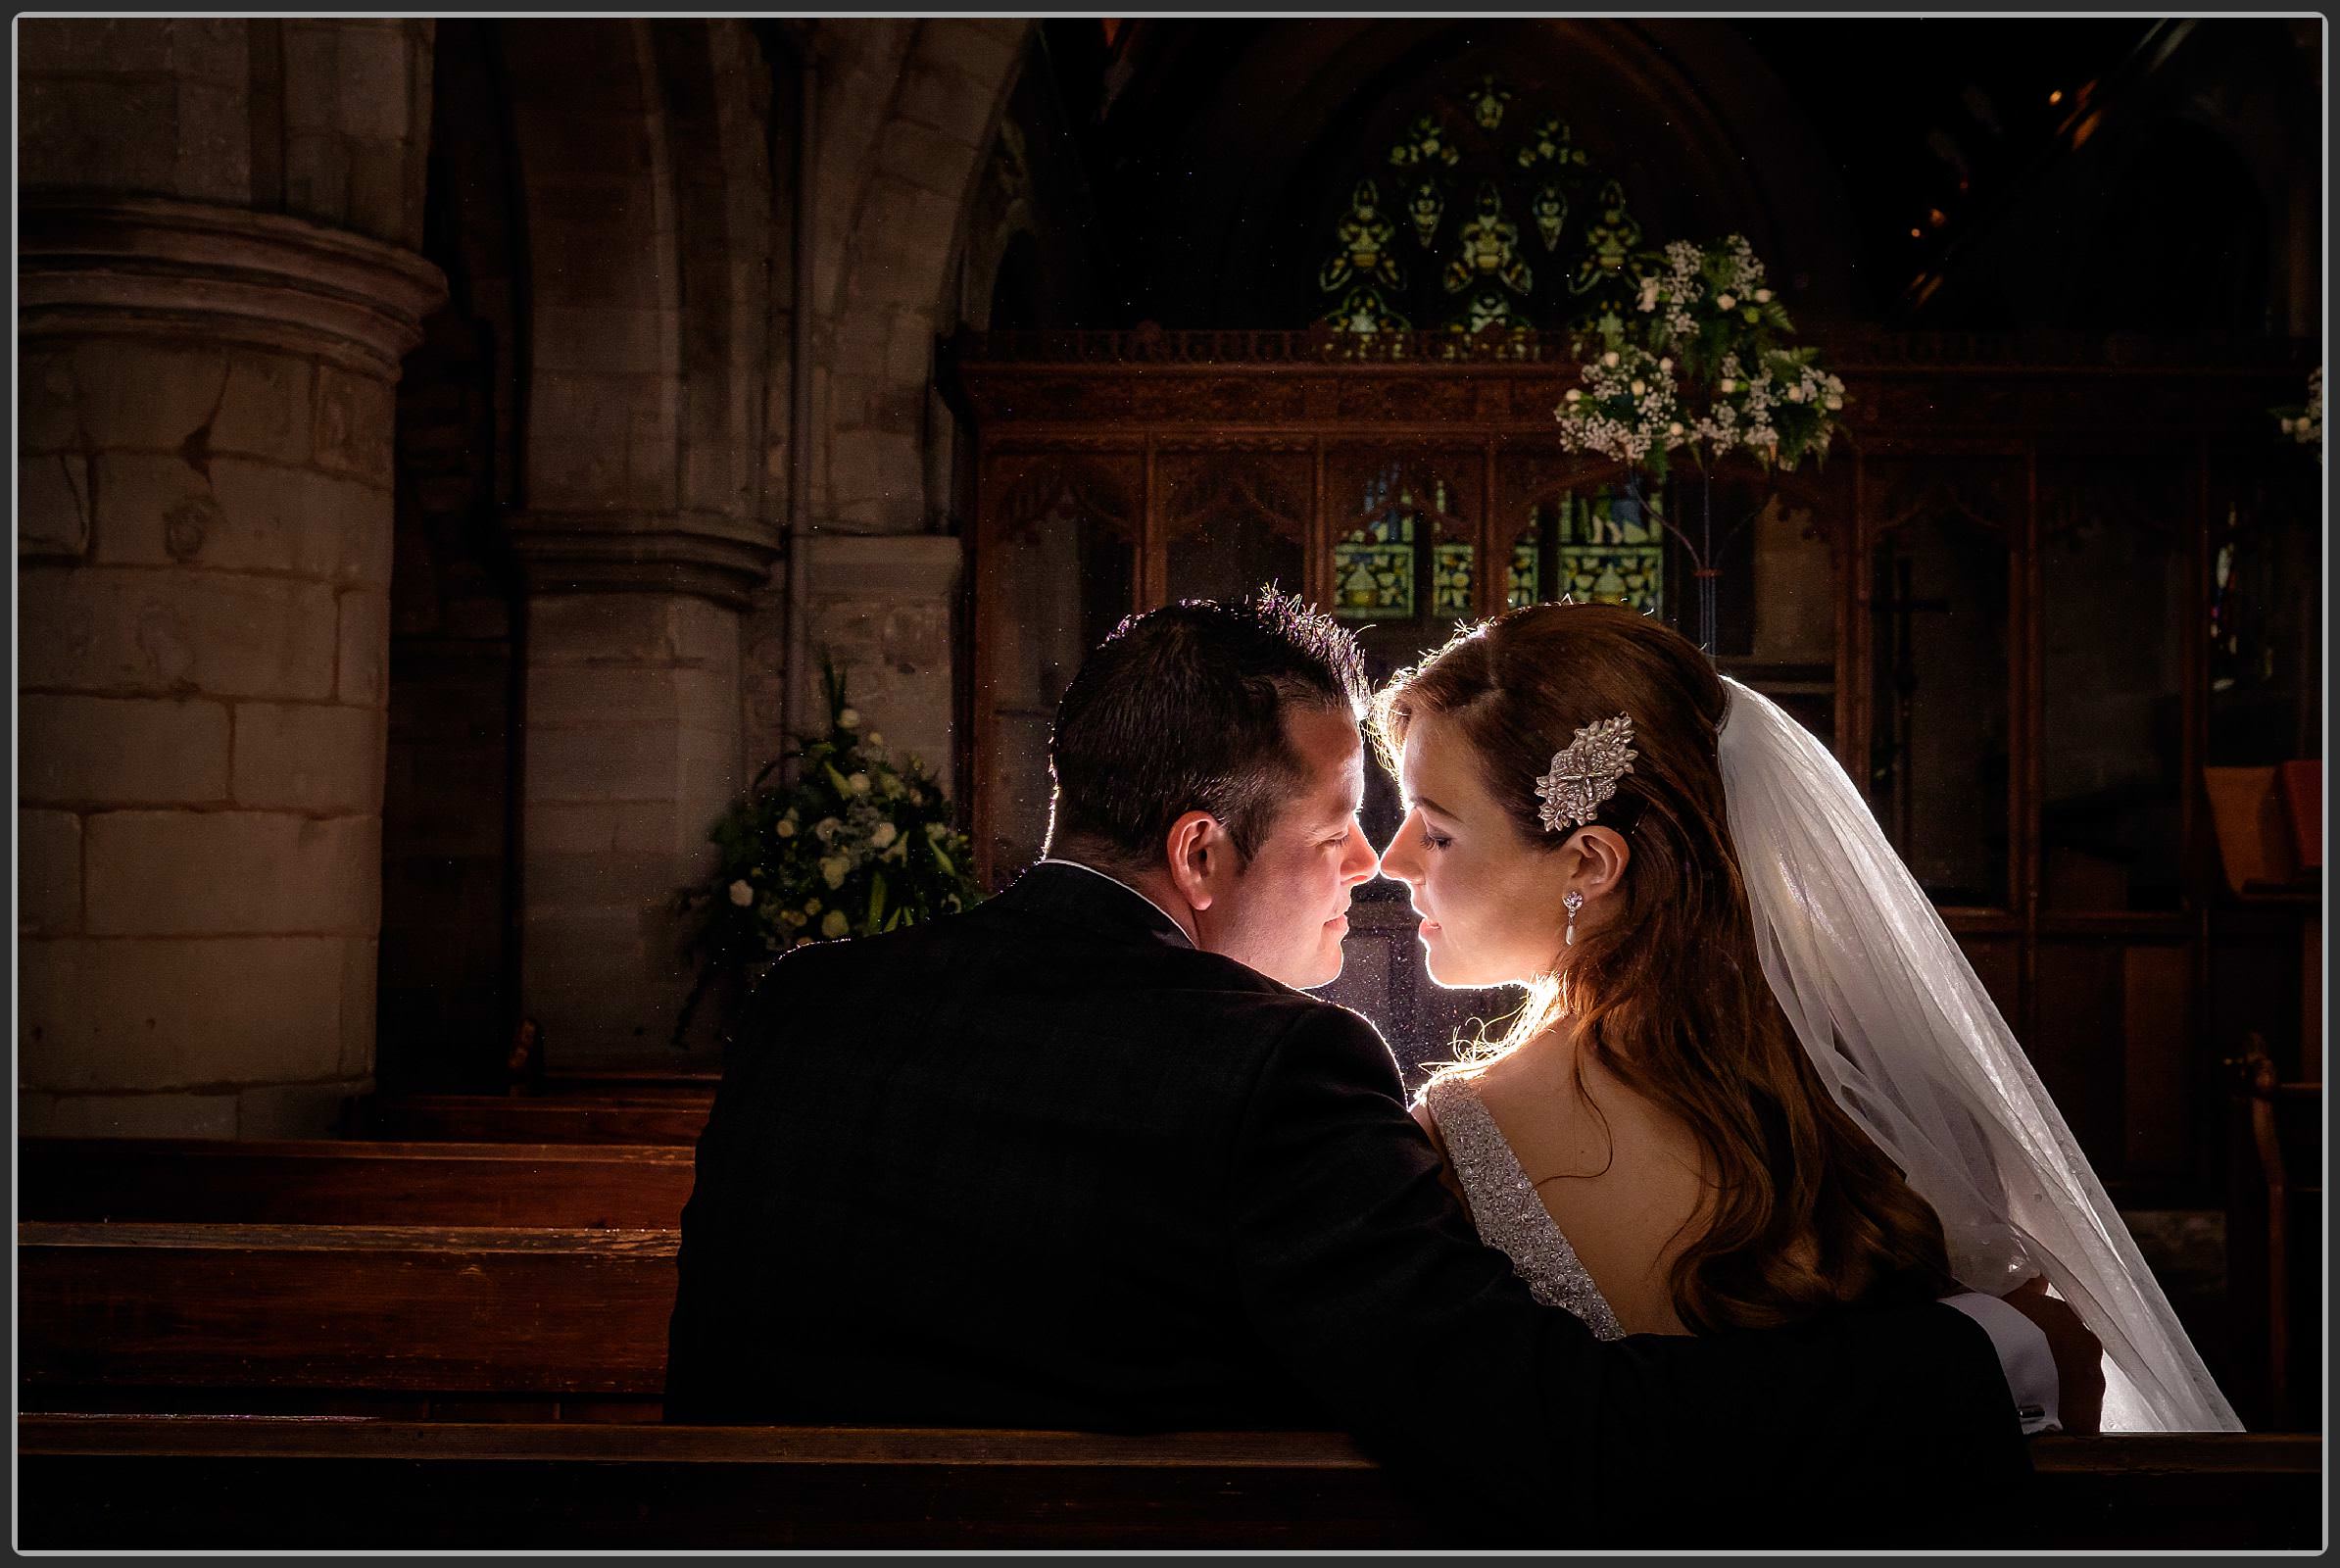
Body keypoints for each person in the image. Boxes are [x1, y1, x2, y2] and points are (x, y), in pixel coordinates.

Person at [665, 588, 2069, 1547]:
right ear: (1200, 855)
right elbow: (1558, 1437)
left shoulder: (808, 1012)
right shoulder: (1277, 1073)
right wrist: (1972, 1356)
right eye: (1341, 825)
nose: (1372, 870)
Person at [1375, 600, 2234, 1434]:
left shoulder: (1459, 1134)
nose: (1393, 858)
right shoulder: (1874, 1086)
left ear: (1592, 862)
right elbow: (2058, 1390)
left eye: (1438, 831)